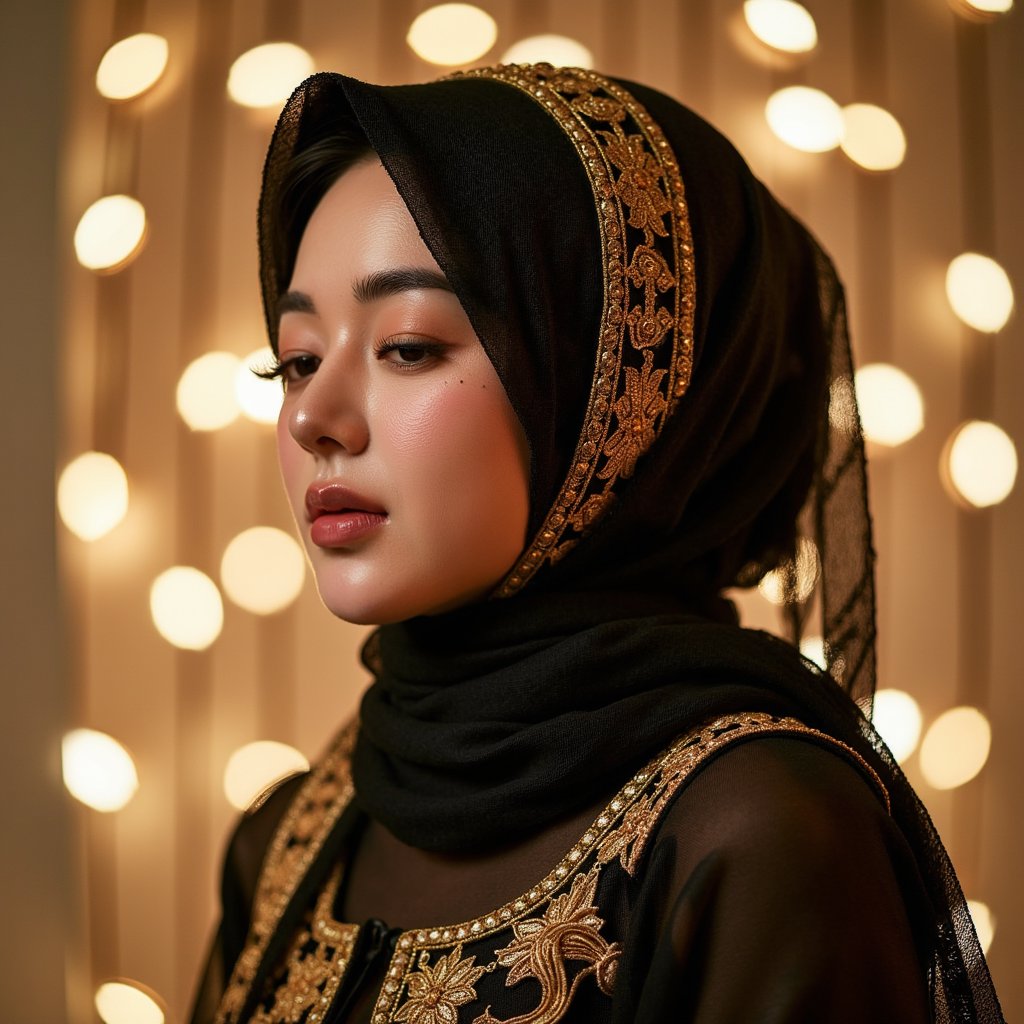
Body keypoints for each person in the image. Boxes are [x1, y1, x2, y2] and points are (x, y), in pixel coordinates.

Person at [189, 64, 1005, 1023]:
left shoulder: (764, 833)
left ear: (614, 392)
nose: (311, 416)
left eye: (407, 345)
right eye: (295, 359)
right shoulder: (292, 836)